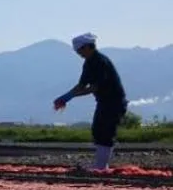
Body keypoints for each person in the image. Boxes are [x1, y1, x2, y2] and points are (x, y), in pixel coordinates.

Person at [53, 32, 126, 172]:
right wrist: (65, 97)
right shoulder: (88, 63)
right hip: (103, 101)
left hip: (114, 102)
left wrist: (71, 96)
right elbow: (81, 85)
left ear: (87, 47)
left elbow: (94, 87)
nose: (78, 54)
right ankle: (101, 165)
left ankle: (101, 167)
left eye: (79, 50)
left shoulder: (100, 62)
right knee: (98, 131)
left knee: (106, 132)